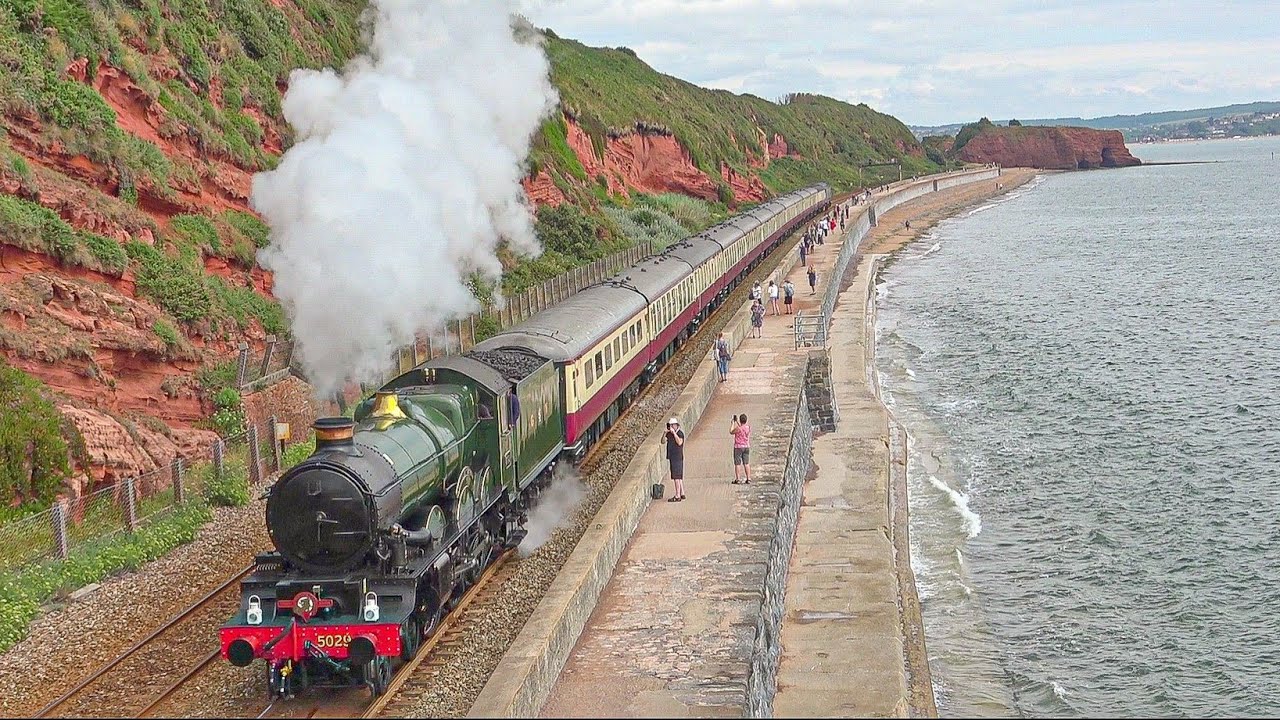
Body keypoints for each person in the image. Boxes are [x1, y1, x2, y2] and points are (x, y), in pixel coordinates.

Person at [664, 418, 686, 502]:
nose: (671, 427)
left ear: (676, 425)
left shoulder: (680, 434)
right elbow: (662, 441)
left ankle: (677, 495)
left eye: (672, 425)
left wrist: (674, 433)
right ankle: (682, 492)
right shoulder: (669, 434)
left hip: (677, 457)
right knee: (678, 476)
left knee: (676, 477)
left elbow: (679, 442)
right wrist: (665, 433)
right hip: (672, 457)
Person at [730, 414, 752, 484]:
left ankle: (738, 479)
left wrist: (733, 423)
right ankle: (748, 478)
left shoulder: (738, 429)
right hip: (746, 447)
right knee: (746, 463)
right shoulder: (748, 427)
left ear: (740, 420)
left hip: (738, 447)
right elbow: (742, 428)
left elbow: (731, 431)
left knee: (737, 463)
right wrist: (737, 422)